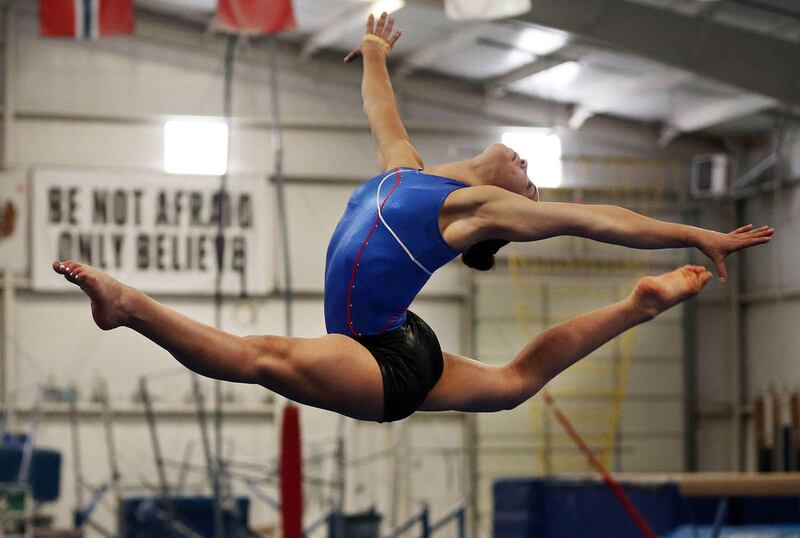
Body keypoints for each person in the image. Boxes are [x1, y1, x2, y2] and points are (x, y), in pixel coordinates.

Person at [52, 13, 773, 423]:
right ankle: (638, 307)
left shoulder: (476, 213)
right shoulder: (409, 173)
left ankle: (129, 306)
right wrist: (374, 51)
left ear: (511, 209)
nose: (526, 164)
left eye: (530, 181)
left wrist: (693, 233)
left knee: (260, 359)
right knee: (513, 383)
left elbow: (598, 221)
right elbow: (381, 108)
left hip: (376, 361)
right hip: (399, 338)